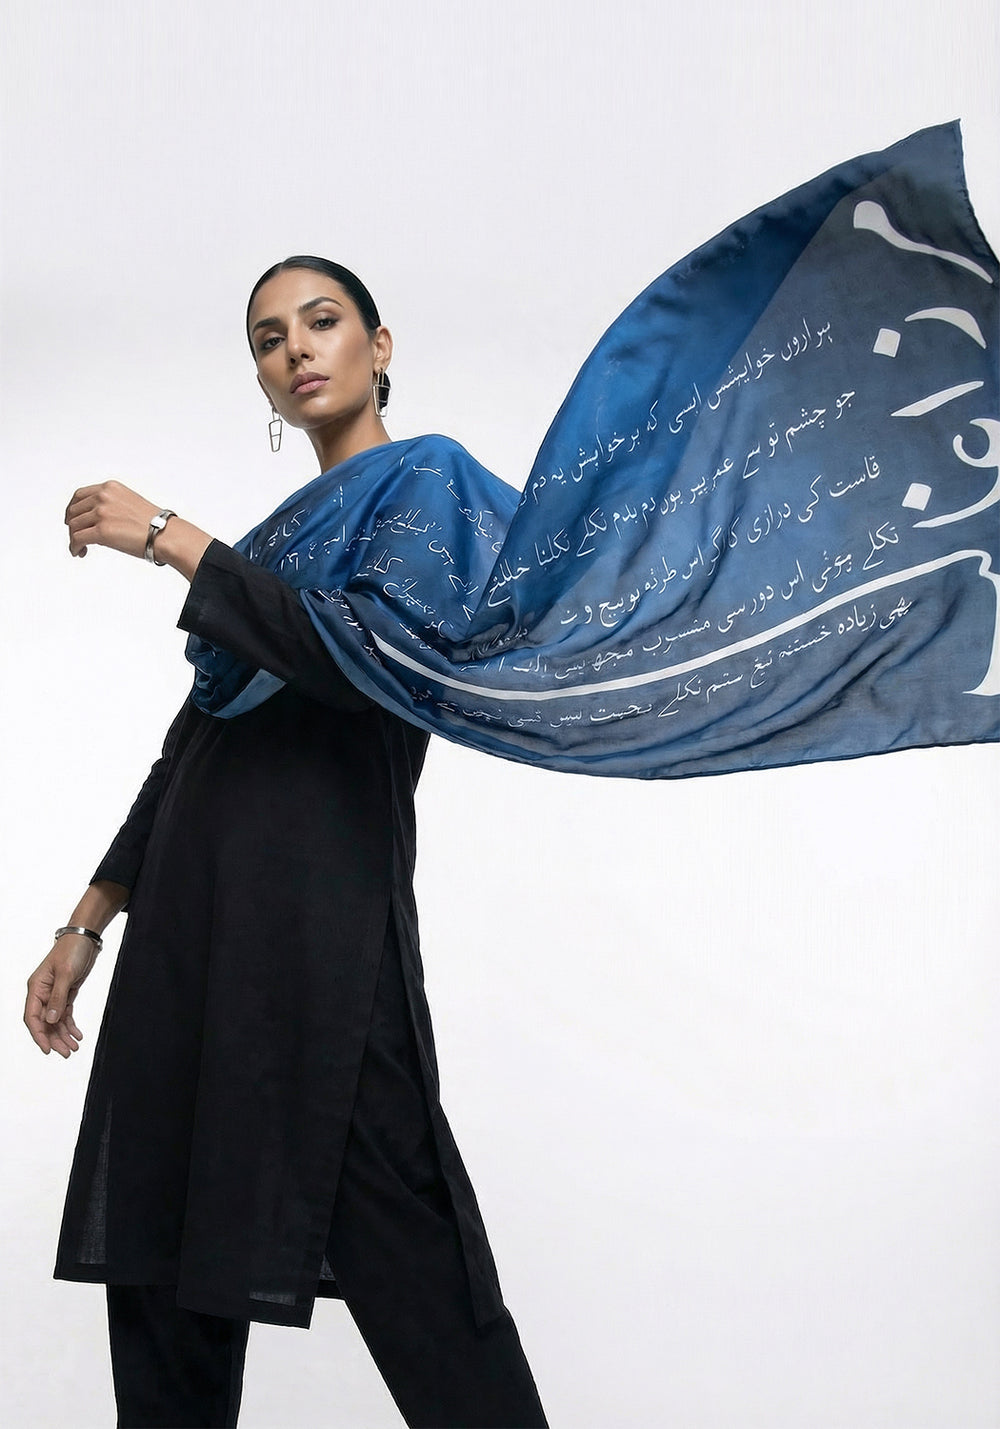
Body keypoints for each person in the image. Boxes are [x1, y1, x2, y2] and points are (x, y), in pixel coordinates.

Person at [24, 257, 548, 1429]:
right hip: (184, 931)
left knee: (415, 1257)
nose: (297, 348)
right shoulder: (270, 548)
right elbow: (190, 749)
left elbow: (357, 658)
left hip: (322, 928)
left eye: (321, 321)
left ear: (380, 344)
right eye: (269, 338)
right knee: (158, 1254)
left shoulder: (428, 487)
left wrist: (172, 538)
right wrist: (86, 922)